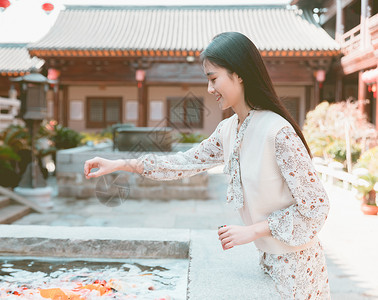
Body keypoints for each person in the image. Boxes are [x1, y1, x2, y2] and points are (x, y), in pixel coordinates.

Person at [84, 32, 330, 299]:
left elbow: (317, 207)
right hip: (268, 260)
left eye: (214, 79)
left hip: (300, 268)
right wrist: (121, 163)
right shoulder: (228, 130)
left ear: (240, 74)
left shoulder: (277, 131)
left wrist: (253, 231)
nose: (210, 89)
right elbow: (183, 163)